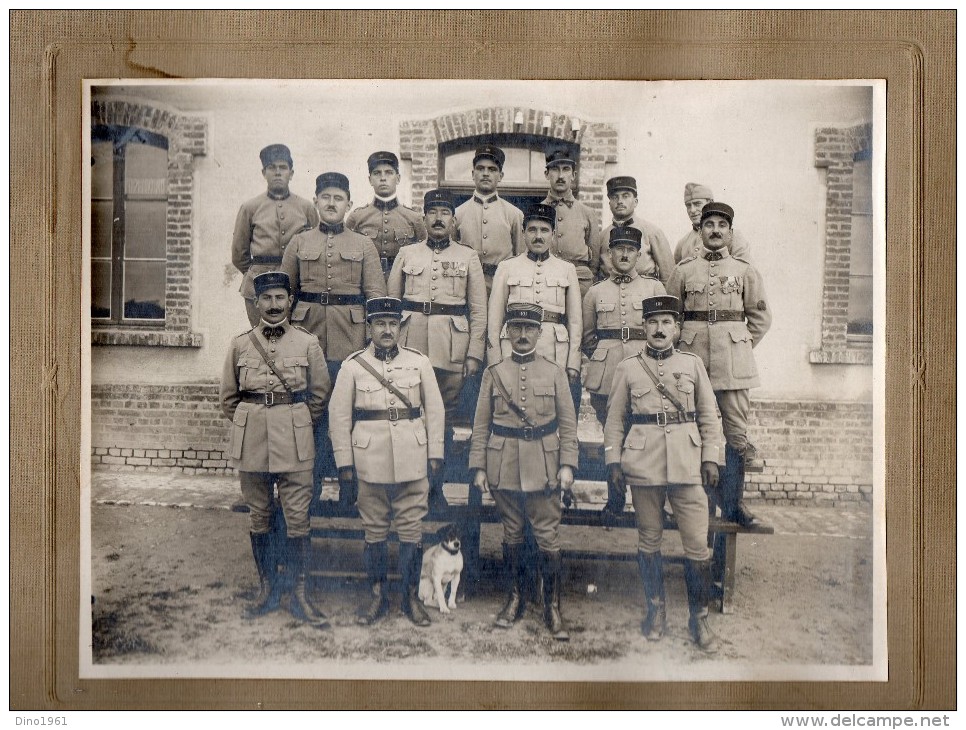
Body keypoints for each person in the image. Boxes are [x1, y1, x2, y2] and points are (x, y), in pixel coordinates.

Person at [603, 295, 725, 652]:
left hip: (688, 465)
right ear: (644, 327)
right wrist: (613, 462)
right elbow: (614, 420)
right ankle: (656, 612)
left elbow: (709, 415)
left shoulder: (692, 364)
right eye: (653, 322)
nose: (659, 329)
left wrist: (711, 458)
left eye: (666, 323)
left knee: (697, 545)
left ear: (677, 329)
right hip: (644, 466)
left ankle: (698, 617)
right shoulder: (628, 368)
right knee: (649, 541)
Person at [219, 271, 332, 627]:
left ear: (290, 302)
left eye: (279, 298)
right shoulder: (239, 344)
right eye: (265, 298)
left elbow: (319, 395)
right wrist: (253, 420)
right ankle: (267, 590)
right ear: (256, 303)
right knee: (259, 515)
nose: (272, 305)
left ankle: (298, 594)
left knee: (298, 517)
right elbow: (228, 399)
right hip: (251, 440)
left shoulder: (308, 343)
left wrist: (295, 420)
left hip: (295, 441)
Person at [328, 297, 446, 627]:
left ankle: (409, 598)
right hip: (369, 460)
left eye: (393, 324)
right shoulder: (352, 366)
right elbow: (338, 417)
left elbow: (435, 411)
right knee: (375, 531)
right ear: (369, 327)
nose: (387, 330)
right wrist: (344, 464)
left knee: (411, 530)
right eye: (380, 324)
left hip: (412, 456)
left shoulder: (419, 363)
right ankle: (377, 596)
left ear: (400, 327)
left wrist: (435, 454)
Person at [468, 303, 579, 641]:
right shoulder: (494, 372)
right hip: (504, 463)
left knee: (548, 537)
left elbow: (569, 426)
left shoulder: (555, 372)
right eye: (515, 328)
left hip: (544, 464)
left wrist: (567, 466)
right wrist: (478, 466)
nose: (521, 335)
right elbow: (480, 425)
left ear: (540, 333)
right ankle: (514, 599)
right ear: (507, 332)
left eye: (529, 329)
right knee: (512, 535)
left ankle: (551, 605)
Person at [281, 172, 387, 506]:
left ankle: (351, 490)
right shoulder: (299, 243)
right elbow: (285, 294)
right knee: (307, 416)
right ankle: (305, 487)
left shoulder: (363, 244)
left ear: (348, 205)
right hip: (306, 339)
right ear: (315, 202)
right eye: (325, 197)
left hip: (350, 343)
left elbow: (376, 298)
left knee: (349, 415)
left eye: (338, 198)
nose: (331, 203)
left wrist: (371, 347)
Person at [666, 202, 771, 528]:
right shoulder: (683, 270)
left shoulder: (745, 270)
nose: (714, 230)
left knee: (736, 436)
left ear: (730, 232)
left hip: (733, 368)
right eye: (708, 224)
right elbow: (672, 317)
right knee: (689, 431)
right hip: (692, 363)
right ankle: (693, 503)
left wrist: (737, 344)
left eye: (721, 225)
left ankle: (733, 505)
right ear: (700, 230)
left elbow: (760, 318)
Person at [387, 189, 487, 512]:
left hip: (451, 351)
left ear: (454, 220)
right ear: (424, 218)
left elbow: (479, 311)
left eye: (445, 212)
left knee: (441, 420)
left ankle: (437, 488)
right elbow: (391, 306)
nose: (439, 218)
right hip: (410, 347)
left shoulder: (468, 257)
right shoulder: (407, 254)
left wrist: (473, 354)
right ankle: (408, 488)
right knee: (409, 419)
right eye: (432, 212)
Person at [487, 203, 583, 412]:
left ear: (553, 234)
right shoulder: (506, 267)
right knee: (512, 403)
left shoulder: (567, 270)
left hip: (554, 349)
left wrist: (573, 362)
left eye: (544, 230)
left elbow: (575, 322)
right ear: (523, 233)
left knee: (549, 406)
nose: (538, 236)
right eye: (532, 230)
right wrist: (494, 361)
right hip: (511, 347)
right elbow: (494, 320)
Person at [581, 226, 666, 427]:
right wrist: (606, 353)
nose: (625, 254)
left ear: (638, 255)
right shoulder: (595, 292)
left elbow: (664, 332)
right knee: (609, 423)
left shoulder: (654, 288)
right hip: (607, 372)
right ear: (610, 253)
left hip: (645, 367)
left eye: (630, 250)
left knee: (643, 423)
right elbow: (588, 337)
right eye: (619, 249)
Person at [231, 144, 319, 327]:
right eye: (272, 168)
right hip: (258, 286)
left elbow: (316, 242)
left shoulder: (306, 208)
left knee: (293, 340)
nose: (278, 172)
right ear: (264, 173)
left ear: (291, 173)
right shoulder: (250, 207)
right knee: (263, 341)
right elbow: (239, 254)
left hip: (295, 285)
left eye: (283, 168)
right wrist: (256, 274)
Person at [453, 144, 525, 294]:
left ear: (501, 176)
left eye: (492, 169)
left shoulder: (514, 214)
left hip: (502, 286)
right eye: (480, 168)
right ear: (473, 174)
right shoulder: (458, 214)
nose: (486, 173)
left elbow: (521, 258)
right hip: (466, 286)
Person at [346, 151, 427, 278]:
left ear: (398, 178)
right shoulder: (356, 218)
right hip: (366, 281)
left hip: (402, 282)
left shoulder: (414, 218)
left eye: (389, 172)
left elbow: (423, 256)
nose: (383, 178)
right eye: (377, 173)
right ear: (370, 180)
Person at [539, 144, 601, 297]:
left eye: (566, 169)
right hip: (546, 281)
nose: (561, 176)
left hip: (580, 285)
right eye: (555, 169)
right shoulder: (536, 211)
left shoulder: (587, 213)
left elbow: (595, 261)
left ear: (573, 175)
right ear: (547, 174)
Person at [596, 176, 674, 284]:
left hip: (644, 295)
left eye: (625, 196)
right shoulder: (602, 237)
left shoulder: (652, 232)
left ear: (636, 201)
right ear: (609, 204)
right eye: (614, 197)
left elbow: (668, 276)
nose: (620, 201)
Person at [673, 182, 751, 263]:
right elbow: (677, 273)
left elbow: (744, 270)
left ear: (710, 203)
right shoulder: (683, 243)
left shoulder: (732, 236)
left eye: (697, 204)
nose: (692, 210)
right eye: (688, 205)